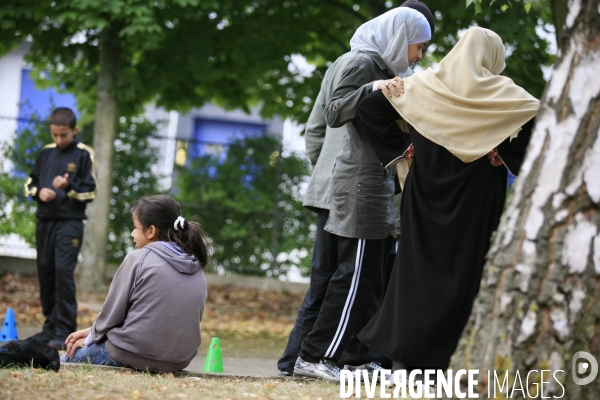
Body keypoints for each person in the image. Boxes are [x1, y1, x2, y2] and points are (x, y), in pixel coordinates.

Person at [357, 27, 540, 372]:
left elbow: (370, 108)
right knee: (466, 273)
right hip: (477, 196)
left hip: (425, 191)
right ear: (492, 56)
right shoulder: (504, 95)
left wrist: (399, 149)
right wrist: (504, 153)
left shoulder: (423, 85)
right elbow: (543, 122)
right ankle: (452, 360)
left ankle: (404, 361)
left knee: (415, 270)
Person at [278, 1, 436, 377]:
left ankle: (355, 358)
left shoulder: (384, 68)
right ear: (401, 37)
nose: (419, 55)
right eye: (419, 46)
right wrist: (373, 86)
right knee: (349, 279)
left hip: (376, 184)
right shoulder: (362, 64)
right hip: (356, 184)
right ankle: (313, 358)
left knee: (368, 281)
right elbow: (332, 114)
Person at [60, 195, 209, 373]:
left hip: (131, 354)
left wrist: (91, 338)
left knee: (62, 361)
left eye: (135, 227)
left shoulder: (139, 258)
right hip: (178, 360)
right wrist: (93, 332)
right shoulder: (196, 265)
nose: (132, 233)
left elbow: (113, 314)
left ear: (151, 231)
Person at [24, 107, 97, 349]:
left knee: (63, 272)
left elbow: (91, 191)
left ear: (74, 130)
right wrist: (38, 192)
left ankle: (64, 330)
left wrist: (67, 187)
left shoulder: (84, 154)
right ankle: (49, 328)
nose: (58, 139)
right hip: (45, 221)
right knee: (45, 271)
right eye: (55, 135)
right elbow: (30, 183)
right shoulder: (45, 153)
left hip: (70, 223)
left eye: (63, 135)